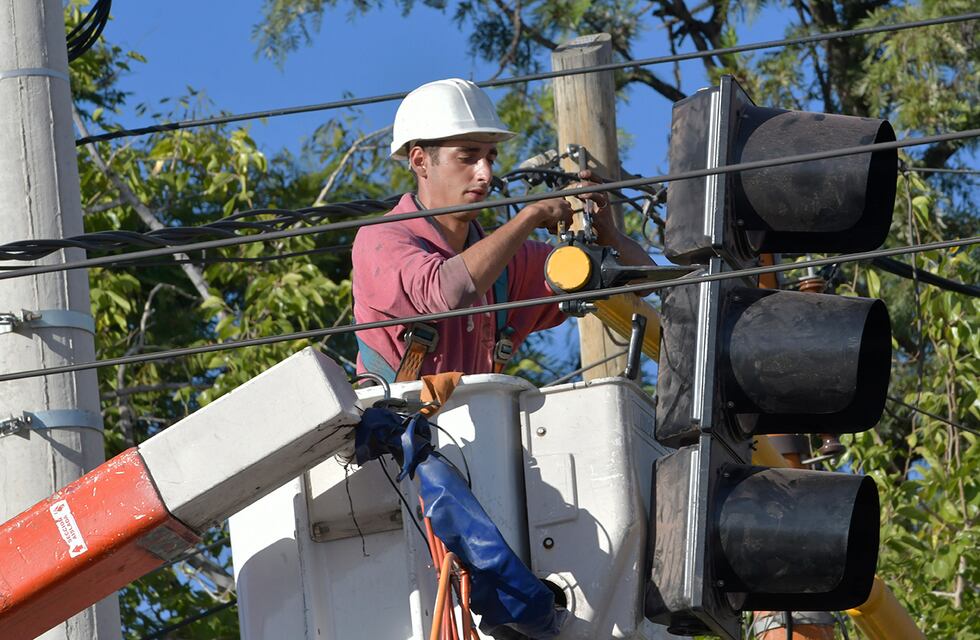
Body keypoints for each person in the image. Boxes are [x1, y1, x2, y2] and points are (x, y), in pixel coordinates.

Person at [351, 78, 654, 382]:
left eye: (490, 158)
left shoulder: (510, 264)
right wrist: (530, 216)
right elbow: (447, 291)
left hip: (475, 424)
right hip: (395, 424)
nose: (485, 173)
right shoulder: (382, 239)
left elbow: (638, 282)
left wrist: (607, 233)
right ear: (420, 161)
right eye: (468, 157)